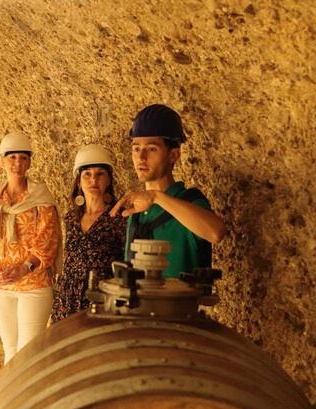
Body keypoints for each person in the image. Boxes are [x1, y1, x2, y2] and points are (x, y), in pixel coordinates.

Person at [0, 132, 61, 364]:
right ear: (1, 161)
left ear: (30, 162)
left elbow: (48, 239)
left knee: (27, 352)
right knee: (10, 350)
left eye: (23, 158)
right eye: (12, 157)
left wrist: (24, 268)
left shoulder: (40, 196)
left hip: (33, 285)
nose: (17, 163)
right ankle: (10, 389)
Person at [111, 104, 226, 276]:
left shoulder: (189, 201)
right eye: (136, 148)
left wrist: (156, 197)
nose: (141, 157)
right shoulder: (136, 210)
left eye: (152, 149)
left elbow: (216, 233)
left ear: (173, 155)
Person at [51, 144, 126, 323]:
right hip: (67, 298)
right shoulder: (71, 218)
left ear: (109, 180)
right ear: (78, 181)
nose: (93, 180)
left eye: (100, 174)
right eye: (87, 174)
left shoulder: (119, 217)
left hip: (101, 299)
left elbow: (126, 262)